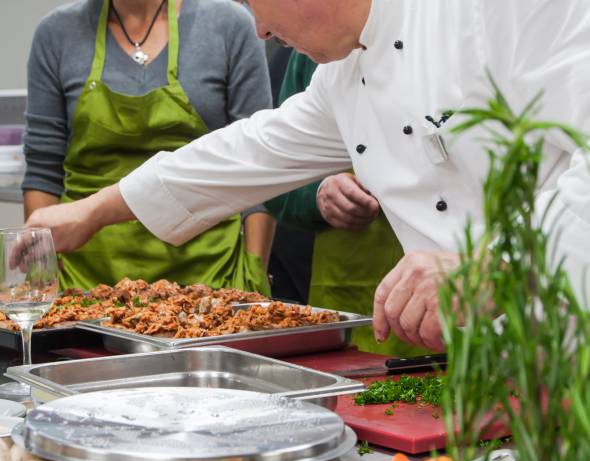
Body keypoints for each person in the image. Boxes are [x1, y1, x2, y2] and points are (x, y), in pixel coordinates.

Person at [24, 0, 590, 353]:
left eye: (254, 2)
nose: (261, 31)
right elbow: (247, 150)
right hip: (488, 366)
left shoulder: (503, 9)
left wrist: (492, 263)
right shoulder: (343, 74)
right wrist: (93, 210)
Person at [22, 0, 274, 293]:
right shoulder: (56, 33)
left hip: (212, 279)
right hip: (84, 283)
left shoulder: (228, 24)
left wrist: (254, 269)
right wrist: (44, 273)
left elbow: (256, 163)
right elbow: (43, 169)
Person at [266, 51, 429, 357]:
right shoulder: (309, 54)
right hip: (347, 289)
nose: (262, 34)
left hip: (451, 297)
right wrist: (318, 195)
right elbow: (275, 182)